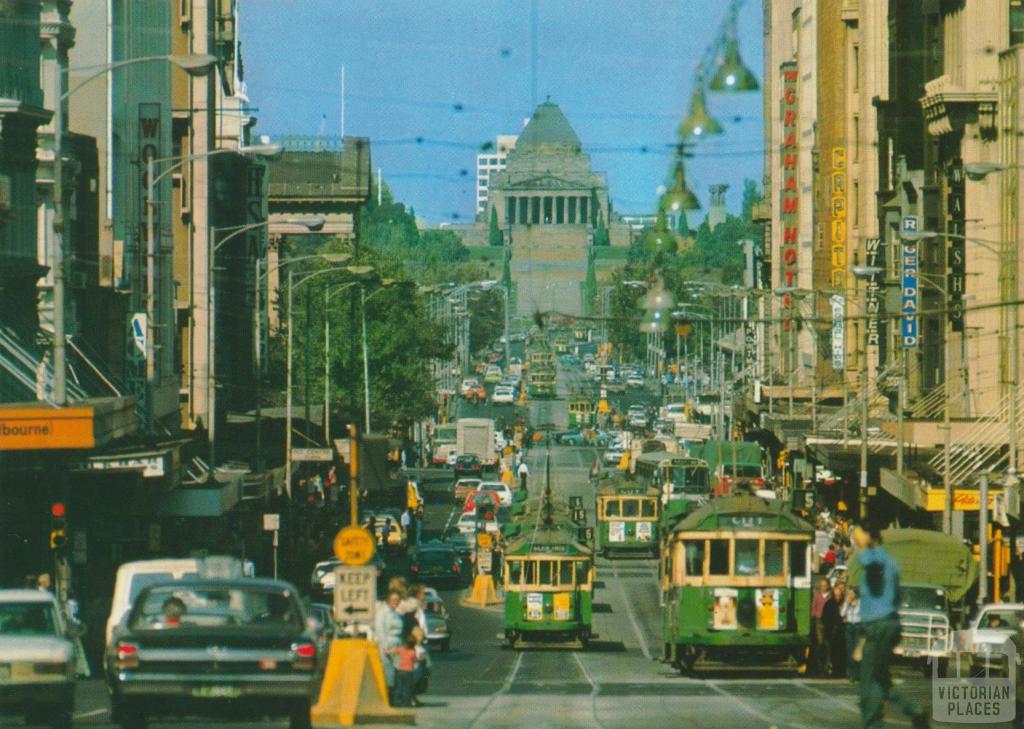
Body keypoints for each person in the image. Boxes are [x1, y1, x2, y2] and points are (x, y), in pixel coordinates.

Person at [852, 522, 928, 729]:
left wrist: (862, 546)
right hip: (884, 625)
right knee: (881, 677)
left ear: (871, 537)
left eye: (858, 536)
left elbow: (873, 569)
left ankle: (874, 724)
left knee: (869, 684)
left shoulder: (876, 560)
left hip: (879, 626)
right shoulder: (890, 561)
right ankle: (914, 710)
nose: (855, 540)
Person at [373, 590, 404, 698]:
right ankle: (388, 696)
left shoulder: (395, 613)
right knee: (388, 671)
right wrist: (386, 647)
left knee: (397, 671)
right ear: (388, 600)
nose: (395, 602)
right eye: (393, 599)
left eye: (397, 600)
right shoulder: (383, 613)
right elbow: (380, 630)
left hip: (396, 644)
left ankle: (396, 695)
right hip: (386, 645)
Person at [390, 630, 419, 707]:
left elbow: (392, 652)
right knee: (407, 688)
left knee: (399, 687)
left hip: (400, 670)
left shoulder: (401, 649)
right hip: (409, 671)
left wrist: (387, 651)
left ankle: (397, 702)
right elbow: (415, 660)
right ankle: (406, 703)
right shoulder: (413, 651)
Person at [824, 583, 846, 678]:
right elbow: (825, 617)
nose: (839, 592)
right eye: (837, 589)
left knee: (842, 652)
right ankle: (834, 670)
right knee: (832, 652)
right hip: (832, 631)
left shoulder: (844, 602)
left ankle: (842, 671)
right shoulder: (829, 603)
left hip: (842, 630)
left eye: (840, 590)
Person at [811, 577, 832, 675]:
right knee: (820, 643)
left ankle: (827, 664)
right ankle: (819, 666)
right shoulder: (816, 595)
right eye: (821, 585)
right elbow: (814, 608)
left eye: (825, 585)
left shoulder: (831, 596)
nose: (823, 587)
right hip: (819, 621)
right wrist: (813, 618)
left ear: (828, 585)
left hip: (828, 621)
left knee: (828, 644)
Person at [841, 586, 862, 682]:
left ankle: (858, 673)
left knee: (856, 651)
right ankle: (851, 674)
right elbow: (842, 614)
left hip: (858, 627)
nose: (849, 595)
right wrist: (846, 603)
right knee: (849, 651)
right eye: (849, 594)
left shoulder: (861, 603)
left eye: (851, 594)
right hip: (849, 627)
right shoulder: (847, 603)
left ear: (856, 595)